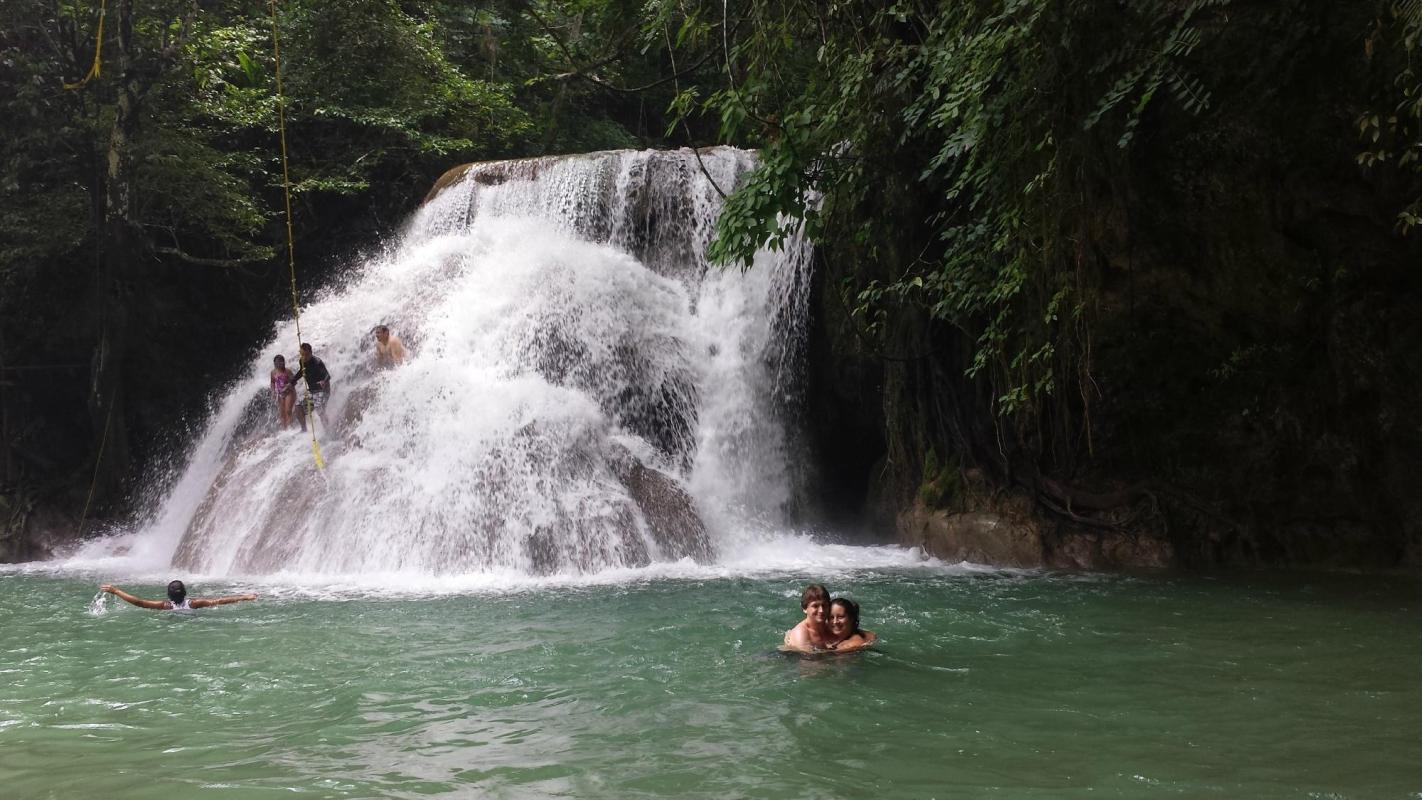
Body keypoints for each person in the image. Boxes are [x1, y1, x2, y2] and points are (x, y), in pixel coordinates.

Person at [100, 580, 257, 611]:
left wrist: (116, 591)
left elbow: (139, 602)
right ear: (185, 593)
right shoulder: (194, 604)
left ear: (168, 595)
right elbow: (220, 601)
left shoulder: (166, 606)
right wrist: (244, 596)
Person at [290, 342, 332, 432]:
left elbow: (328, 375)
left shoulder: (317, 362)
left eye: (306, 355)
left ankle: (328, 431)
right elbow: (302, 371)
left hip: (323, 391)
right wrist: (293, 381)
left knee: (319, 410)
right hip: (312, 391)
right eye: (302, 355)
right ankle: (304, 429)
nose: (304, 357)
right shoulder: (302, 361)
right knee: (298, 407)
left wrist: (323, 381)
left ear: (311, 353)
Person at [783, 583, 832, 652]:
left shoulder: (831, 625)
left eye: (824, 605)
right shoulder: (801, 634)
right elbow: (808, 661)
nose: (821, 610)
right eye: (815, 606)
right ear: (805, 608)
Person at [270, 354, 297, 429]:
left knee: (288, 411)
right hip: (280, 394)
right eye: (276, 363)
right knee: (282, 413)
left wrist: (288, 386)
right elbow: (272, 382)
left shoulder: (287, 371)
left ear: (283, 362)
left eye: (280, 362)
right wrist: (273, 392)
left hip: (289, 393)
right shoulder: (273, 372)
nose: (278, 364)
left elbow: (294, 382)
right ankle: (284, 429)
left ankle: (290, 428)